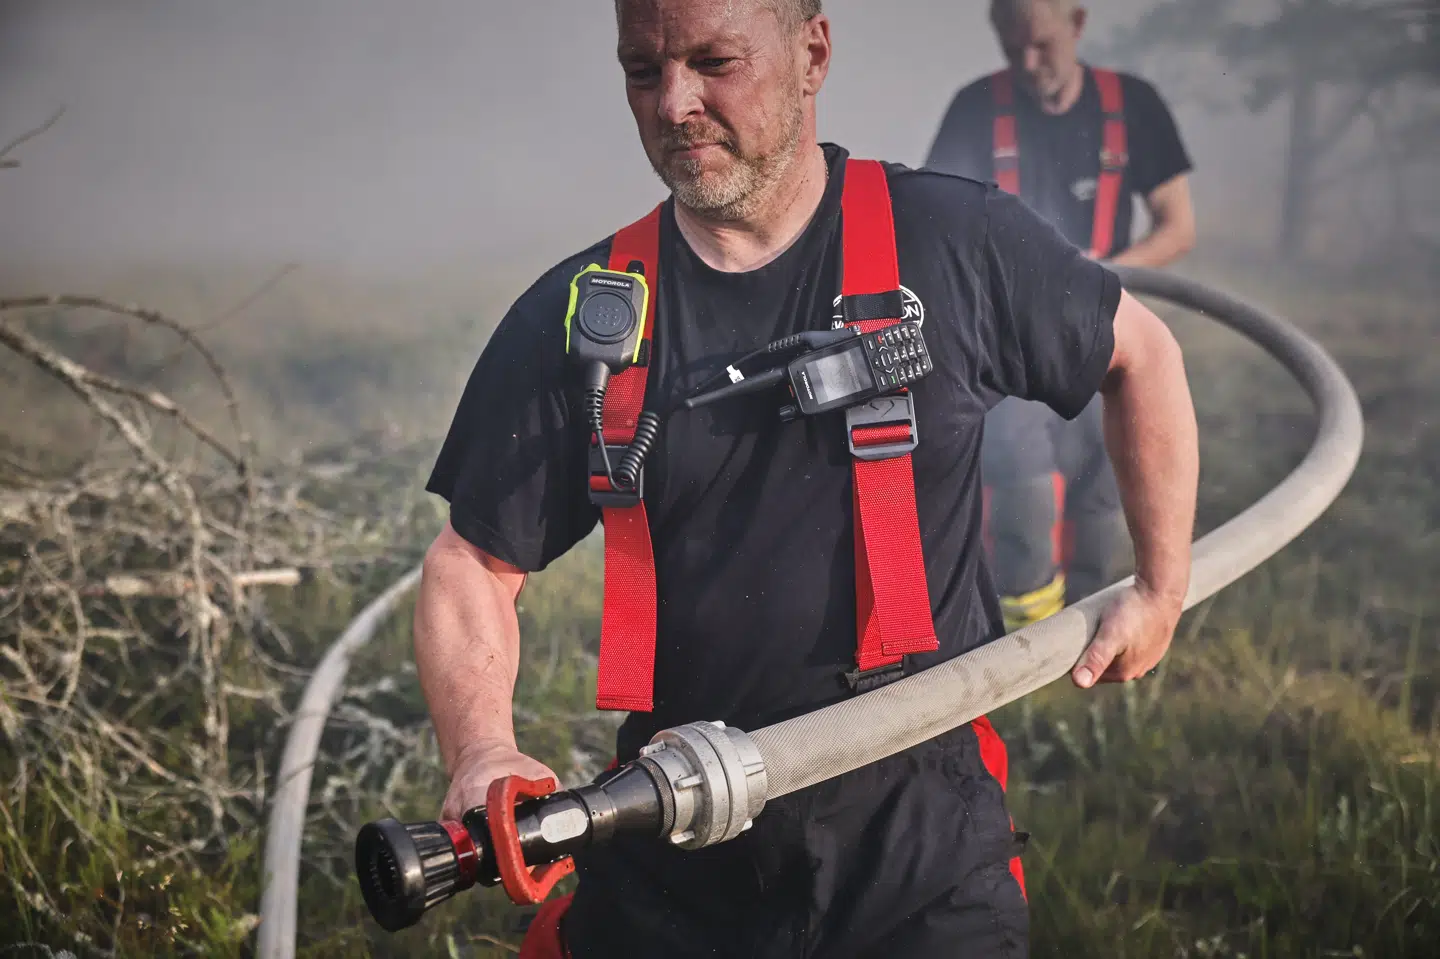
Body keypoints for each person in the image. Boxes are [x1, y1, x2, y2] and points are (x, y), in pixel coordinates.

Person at [417, 1, 1199, 956]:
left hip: (923, 852)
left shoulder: (953, 242)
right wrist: (484, 748)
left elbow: (1142, 356)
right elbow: (471, 561)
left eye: (714, 61)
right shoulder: (590, 318)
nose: (675, 103)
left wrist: (1159, 590)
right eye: (641, 70)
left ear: (812, 53)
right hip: (679, 839)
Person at [924, 0, 1198, 631]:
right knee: (1017, 483)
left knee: (1099, 489)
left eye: (1042, 44)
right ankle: (1018, 644)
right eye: (1012, 45)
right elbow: (939, 222)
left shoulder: (1134, 106)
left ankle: (1096, 627)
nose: (1027, 61)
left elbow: (1177, 227)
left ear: (1077, 25)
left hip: (1108, 331)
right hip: (1009, 343)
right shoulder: (974, 110)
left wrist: (1098, 282)